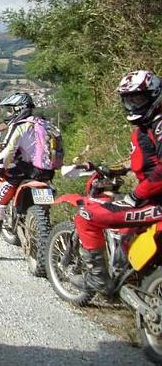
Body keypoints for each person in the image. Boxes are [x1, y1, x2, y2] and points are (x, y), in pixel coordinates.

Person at [72, 70, 162, 294]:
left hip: (154, 202)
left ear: (154, 95)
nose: (133, 106)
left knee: (86, 215)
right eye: (128, 100)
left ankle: (98, 280)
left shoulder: (158, 126)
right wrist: (122, 169)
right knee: (122, 221)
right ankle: (126, 272)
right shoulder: (150, 126)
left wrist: (135, 196)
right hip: (151, 198)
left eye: (138, 99)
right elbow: (150, 162)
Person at [0, 92, 56, 258]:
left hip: (23, 173)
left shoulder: (20, 126)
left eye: (11, 110)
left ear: (19, 109)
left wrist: (1, 168)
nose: (9, 114)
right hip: (46, 174)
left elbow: (7, 152)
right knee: (44, 212)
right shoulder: (46, 125)